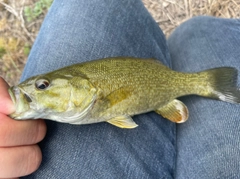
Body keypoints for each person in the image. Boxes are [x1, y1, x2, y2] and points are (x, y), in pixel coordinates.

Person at [1, 0, 240, 178]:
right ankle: (193, 37)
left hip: (161, 89)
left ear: (82, 86)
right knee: (199, 31)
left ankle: (204, 79)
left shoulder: (92, 100)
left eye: (43, 85)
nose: (31, 91)